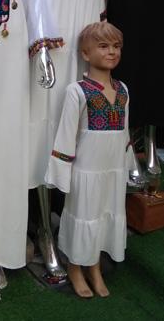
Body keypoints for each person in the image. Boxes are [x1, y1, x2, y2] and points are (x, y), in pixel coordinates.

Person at [45, 21, 132, 298]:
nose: (112, 52)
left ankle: (94, 267)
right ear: (85, 53)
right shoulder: (77, 91)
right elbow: (66, 135)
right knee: (83, 217)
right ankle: (75, 267)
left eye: (116, 46)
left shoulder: (123, 90)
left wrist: (127, 167)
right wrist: (62, 173)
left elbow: (125, 132)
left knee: (104, 215)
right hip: (86, 170)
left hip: (113, 170)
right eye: (103, 46)